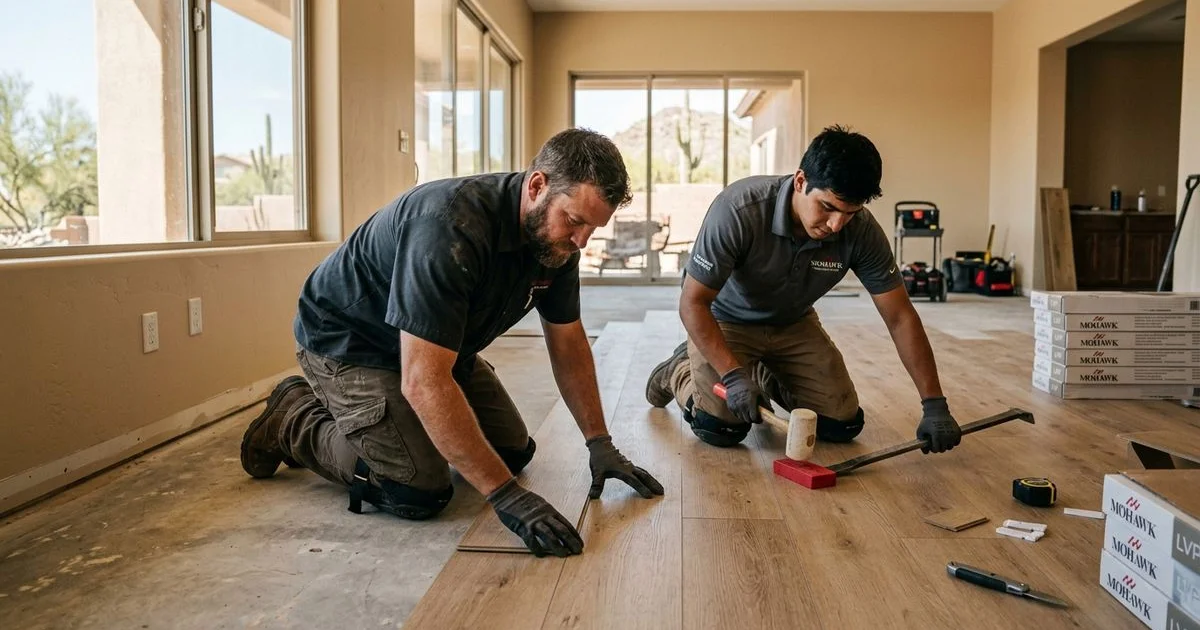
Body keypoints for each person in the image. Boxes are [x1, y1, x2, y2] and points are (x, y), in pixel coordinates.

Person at [240, 128, 664, 558]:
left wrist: (600, 444)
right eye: (575, 221)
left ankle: (396, 425)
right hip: (351, 342)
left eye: (593, 227)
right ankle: (293, 416)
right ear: (537, 186)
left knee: (512, 453)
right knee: (418, 488)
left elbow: (569, 343)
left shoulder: (555, 246)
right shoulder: (449, 227)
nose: (581, 241)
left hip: (438, 345)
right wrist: (506, 497)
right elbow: (423, 381)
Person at [644, 125, 962, 454]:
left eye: (849, 213)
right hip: (726, 321)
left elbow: (900, 316)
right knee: (722, 427)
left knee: (841, 425)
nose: (836, 225)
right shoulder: (739, 209)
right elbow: (692, 303)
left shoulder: (862, 231)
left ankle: (762, 371)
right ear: (800, 181)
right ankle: (678, 372)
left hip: (792, 323)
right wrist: (733, 374)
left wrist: (934, 403)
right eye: (827, 207)